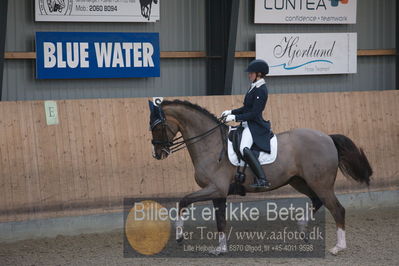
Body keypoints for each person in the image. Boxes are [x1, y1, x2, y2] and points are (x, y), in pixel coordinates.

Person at [221, 59, 272, 188]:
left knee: (244, 148)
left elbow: (254, 113)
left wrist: (235, 117)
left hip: (255, 126)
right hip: (246, 124)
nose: (249, 75)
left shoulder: (261, 90)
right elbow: (246, 108)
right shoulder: (253, 87)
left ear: (259, 74)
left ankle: (262, 179)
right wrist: (231, 111)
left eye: (251, 73)